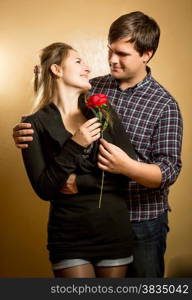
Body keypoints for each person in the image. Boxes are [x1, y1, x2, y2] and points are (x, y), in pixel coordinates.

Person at [13, 11, 183, 277]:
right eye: (110, 51)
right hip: (84, 221)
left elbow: (169, 171)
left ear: (146, 54)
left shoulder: (165, 105)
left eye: (123, 54)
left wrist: (126, 167)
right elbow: (56, 116)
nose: (112, 60)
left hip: (143, 221)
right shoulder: (92, 88)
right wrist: (26, 132)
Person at [18, 42, 137, 278]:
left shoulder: (104, 112)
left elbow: (127, 173)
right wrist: (76, 144)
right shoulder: (33, 125)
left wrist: (79, 183)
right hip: (68, 237)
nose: (88, 67)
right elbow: (45, 188)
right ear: (56, 70)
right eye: (78, 61)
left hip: (113, 231)